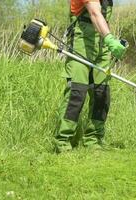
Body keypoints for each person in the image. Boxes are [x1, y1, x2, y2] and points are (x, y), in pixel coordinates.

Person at [54, 0, 127, 153]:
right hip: (81, 40)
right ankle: (63, 142)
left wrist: (112, 42)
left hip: (102, 42)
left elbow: (103, 18)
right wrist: (109, 39)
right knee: (77, 91)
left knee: (102, 92)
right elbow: (94, 13)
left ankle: (93, 140)